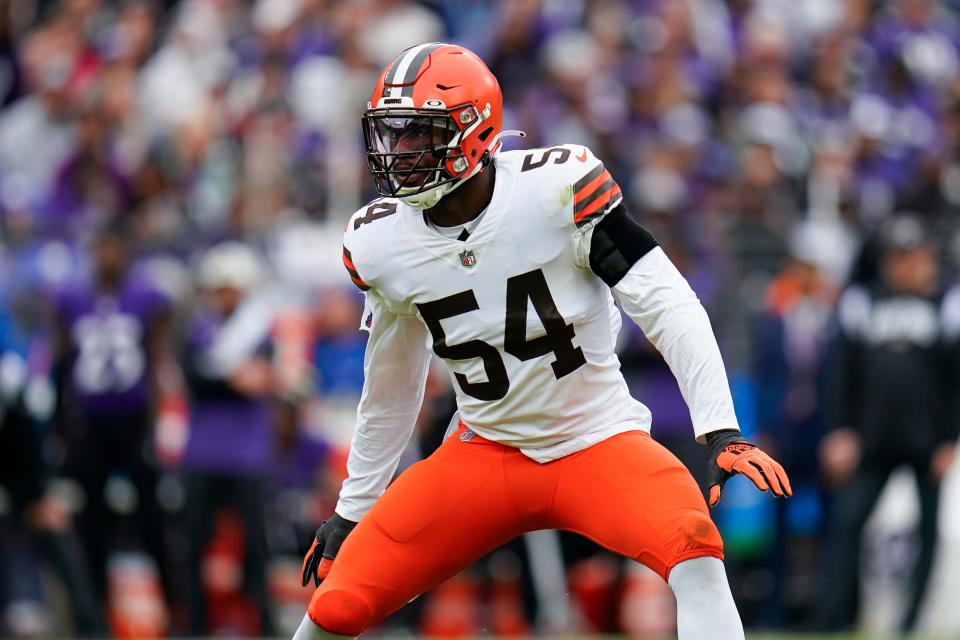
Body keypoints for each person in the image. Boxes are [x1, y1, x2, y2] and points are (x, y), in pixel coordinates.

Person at [293, 43, 792, 640]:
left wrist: (720, 427)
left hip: (597, 441)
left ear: (473, 132)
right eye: (392, 134)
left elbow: (666, 300)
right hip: (482, 451)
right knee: (337, 602)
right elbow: (391, 387)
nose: (398, 153)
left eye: (418, 135)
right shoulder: (381, 242)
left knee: (696, 552)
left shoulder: (555, 190)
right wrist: (355, 506)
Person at [816, 215, 959, 632]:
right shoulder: (862, 302)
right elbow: (841, 373)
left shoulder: (947, 305)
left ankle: (911, 621)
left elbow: (956, 380)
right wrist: (841, 430)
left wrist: (951, 438)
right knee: (847, 523)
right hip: (871, 439)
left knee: (929, 532)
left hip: (928, 442)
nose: (906, 266)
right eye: (898, 257)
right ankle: (838, 616)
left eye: (913, 256)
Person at [179, 242, 278, 635]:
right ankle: (195, 624)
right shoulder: (199, 329)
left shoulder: (258, 329)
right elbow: (195, 378)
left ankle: (262, 624)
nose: (225, 296)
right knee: (192, 545)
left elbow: (257, 379)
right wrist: (228, 378)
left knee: (255, 546)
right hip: (204, 452)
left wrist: (220, 378)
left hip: (246, 453)